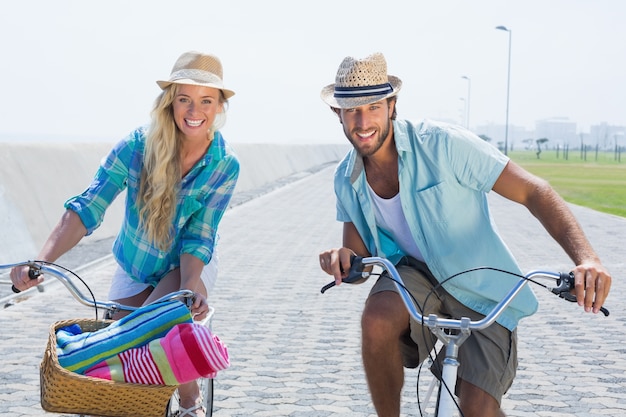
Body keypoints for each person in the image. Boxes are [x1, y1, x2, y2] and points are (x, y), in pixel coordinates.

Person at [317, 52, 611, 417]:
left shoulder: (444, 145)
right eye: (352, 110)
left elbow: (535, 192)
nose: (363, 121)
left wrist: (587, 259)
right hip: (416, 281)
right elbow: (358, 260)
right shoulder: (346, 177)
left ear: (392, 106)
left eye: (373, 106)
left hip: (482, 288)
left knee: (477, 410)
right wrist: (340, 259)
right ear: (338, 114)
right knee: (376, 317)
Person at [11, 51, 239, 417]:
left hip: (186, 267)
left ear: (219, 106)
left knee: (150, 329)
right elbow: (88, 207)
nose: (194, 110)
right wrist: (40, 262)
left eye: (206, 101)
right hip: (135, 266)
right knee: (114, 366)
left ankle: (190, 404)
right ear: (171, 101)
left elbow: (200, 234)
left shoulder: (224, 165)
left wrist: (193, 281)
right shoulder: (136, 146)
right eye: (184, 99)